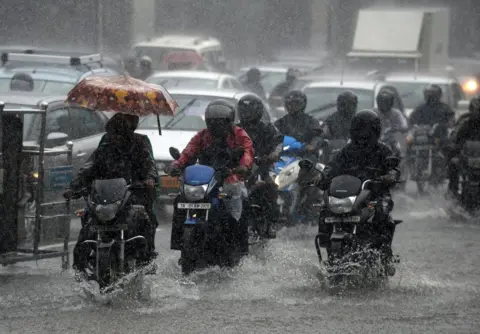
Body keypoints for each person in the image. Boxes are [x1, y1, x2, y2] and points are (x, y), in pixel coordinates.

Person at [65, 113, 158, 276]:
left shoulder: (140, 144)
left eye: (117, 134)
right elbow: (87, 169)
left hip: (131, 194)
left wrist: (149, 180)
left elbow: (150, 165)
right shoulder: (104, 149)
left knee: (146, 218)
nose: (113, 138)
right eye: (111, 134)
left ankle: (147, 260)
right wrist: (74, 188)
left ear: (126, 134)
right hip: (104, 197)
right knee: (87, 221)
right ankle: (80, 268)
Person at [165, 100, 254, 252]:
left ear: (229, 122)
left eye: (221, 123)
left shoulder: (239, 134)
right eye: (213, 123)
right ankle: (178, 242)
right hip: (205, 179)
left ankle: (240, 248)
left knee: (241, 201)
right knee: (181, 199)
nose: (216, 126)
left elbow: (247, 151)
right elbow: (188, 152)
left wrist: (243, 167)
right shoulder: (202, 136)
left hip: (230, 177)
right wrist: (176, 165)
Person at [317, 110, 399, 271]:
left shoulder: (383, 150)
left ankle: (384, 255)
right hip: (350, 194)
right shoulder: (347, 150)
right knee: (324, 210)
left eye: (368, 130)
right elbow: (332, 167)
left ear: (375, 131)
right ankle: (326, 244)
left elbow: (393, 169)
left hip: (376, 193)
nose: (364, 134)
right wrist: (322, 177)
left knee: (384, 212)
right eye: (360, 129)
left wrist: (389, 176)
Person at [237, 95, 283, 238]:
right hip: (239, 168)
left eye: (249, 110)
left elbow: (278, 143)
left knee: (271, 185)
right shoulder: (235, 129)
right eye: (243, 110)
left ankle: (271, 222)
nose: (246, 114)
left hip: (262, 167)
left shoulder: (268, 128)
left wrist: (274, 154)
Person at [446, 96, 480, 198]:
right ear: (471, 110)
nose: (477, 113)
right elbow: (455, 136)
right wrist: (454, 146)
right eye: (476, 110)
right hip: (467, 155)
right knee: (453, 163)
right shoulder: (465, 122)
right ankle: (453, 191)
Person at [274, 90, 323, 159]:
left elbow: (318, 136)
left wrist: (312, 145)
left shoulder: (311, 121)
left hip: (306, 158)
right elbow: (273, 138)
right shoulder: (280, 123)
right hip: (284, 157)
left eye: (295, 104)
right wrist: (274, 151)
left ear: (302, 104)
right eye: (289, 104)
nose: (291, 106)